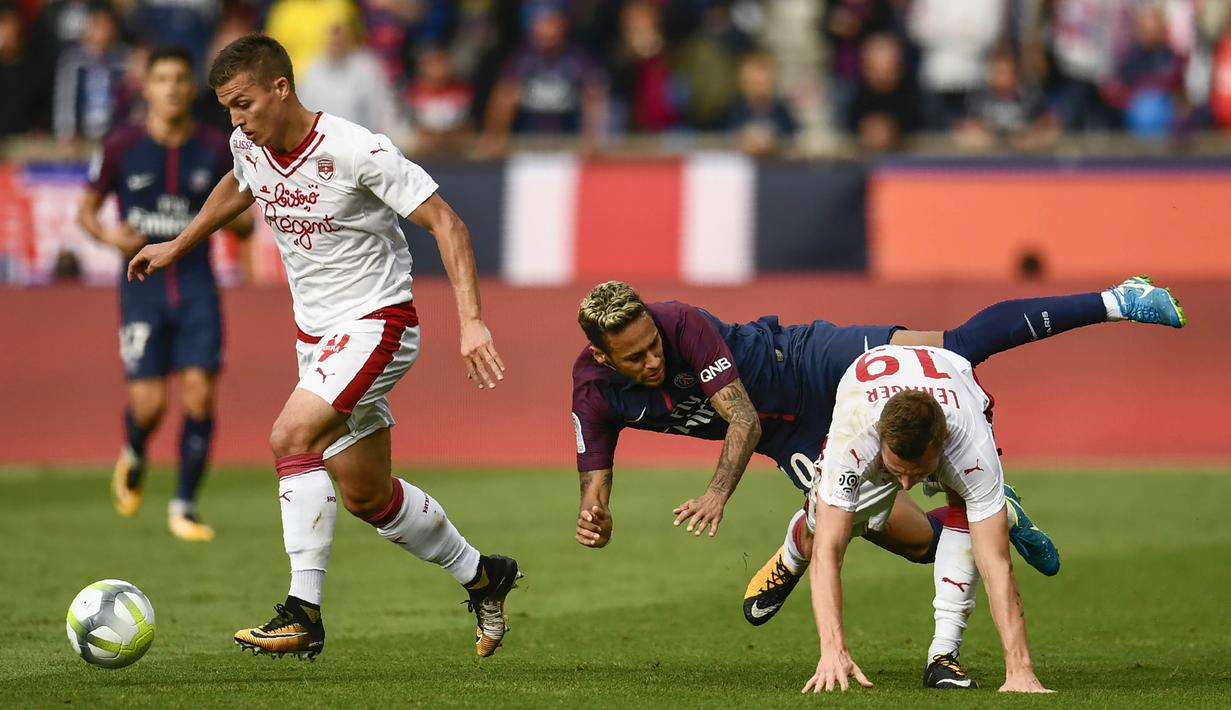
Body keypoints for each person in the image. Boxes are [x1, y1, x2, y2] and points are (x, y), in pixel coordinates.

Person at [127, 34, 520, 660]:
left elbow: (447, 222)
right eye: (228, 108)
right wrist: (179, 244)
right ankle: (485, 575)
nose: (236, 120)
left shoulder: (356, 149)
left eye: (244, 104)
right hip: (316, 338)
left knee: (289, 437)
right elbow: (239, 184)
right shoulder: (248, 145)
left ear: (281, 88)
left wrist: (471, 322)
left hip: (376, 322)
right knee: (368, 495)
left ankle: (302, 612)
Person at [570, 278, 1186, 647]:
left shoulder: (681, 323)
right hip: (795, 442)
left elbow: (742, 418)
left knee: (958, 346)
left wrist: (715, 494)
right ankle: (990, 512)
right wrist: (594, 516)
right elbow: (594, 485)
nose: (655, 361)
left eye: (654, 344)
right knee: (919, 547)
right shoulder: (594, 394)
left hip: (812, 361)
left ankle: (1117, 298)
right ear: (601, 354)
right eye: (637, 356)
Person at [77, 46, 254, 542]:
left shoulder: (218, 148)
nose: (172, 87)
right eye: (163, 78)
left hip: (198, 286)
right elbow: (86, 212)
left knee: (199, 396)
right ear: (147, 87)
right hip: (142, 290)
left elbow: (241, 219)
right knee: (150, 405)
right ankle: (133, 451)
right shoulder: (120, 145)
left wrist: (239, 227)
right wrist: (111, 238)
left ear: (190, 87)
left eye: (180, 78)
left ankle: (185, 506)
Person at [801, 348, 1051, 693]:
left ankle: (944, 653)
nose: (906, 486)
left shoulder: (967, 441)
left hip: (952, 376)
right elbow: (828, 553)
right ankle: (790, 550)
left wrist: (1020, 669)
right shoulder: (853, 440)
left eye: (916, 472)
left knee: (967, 502)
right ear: (880, 441)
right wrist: (832, 650)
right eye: (896, 471)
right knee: (819, 525)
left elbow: (996, 563)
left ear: (942, 441)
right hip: (867, 380)